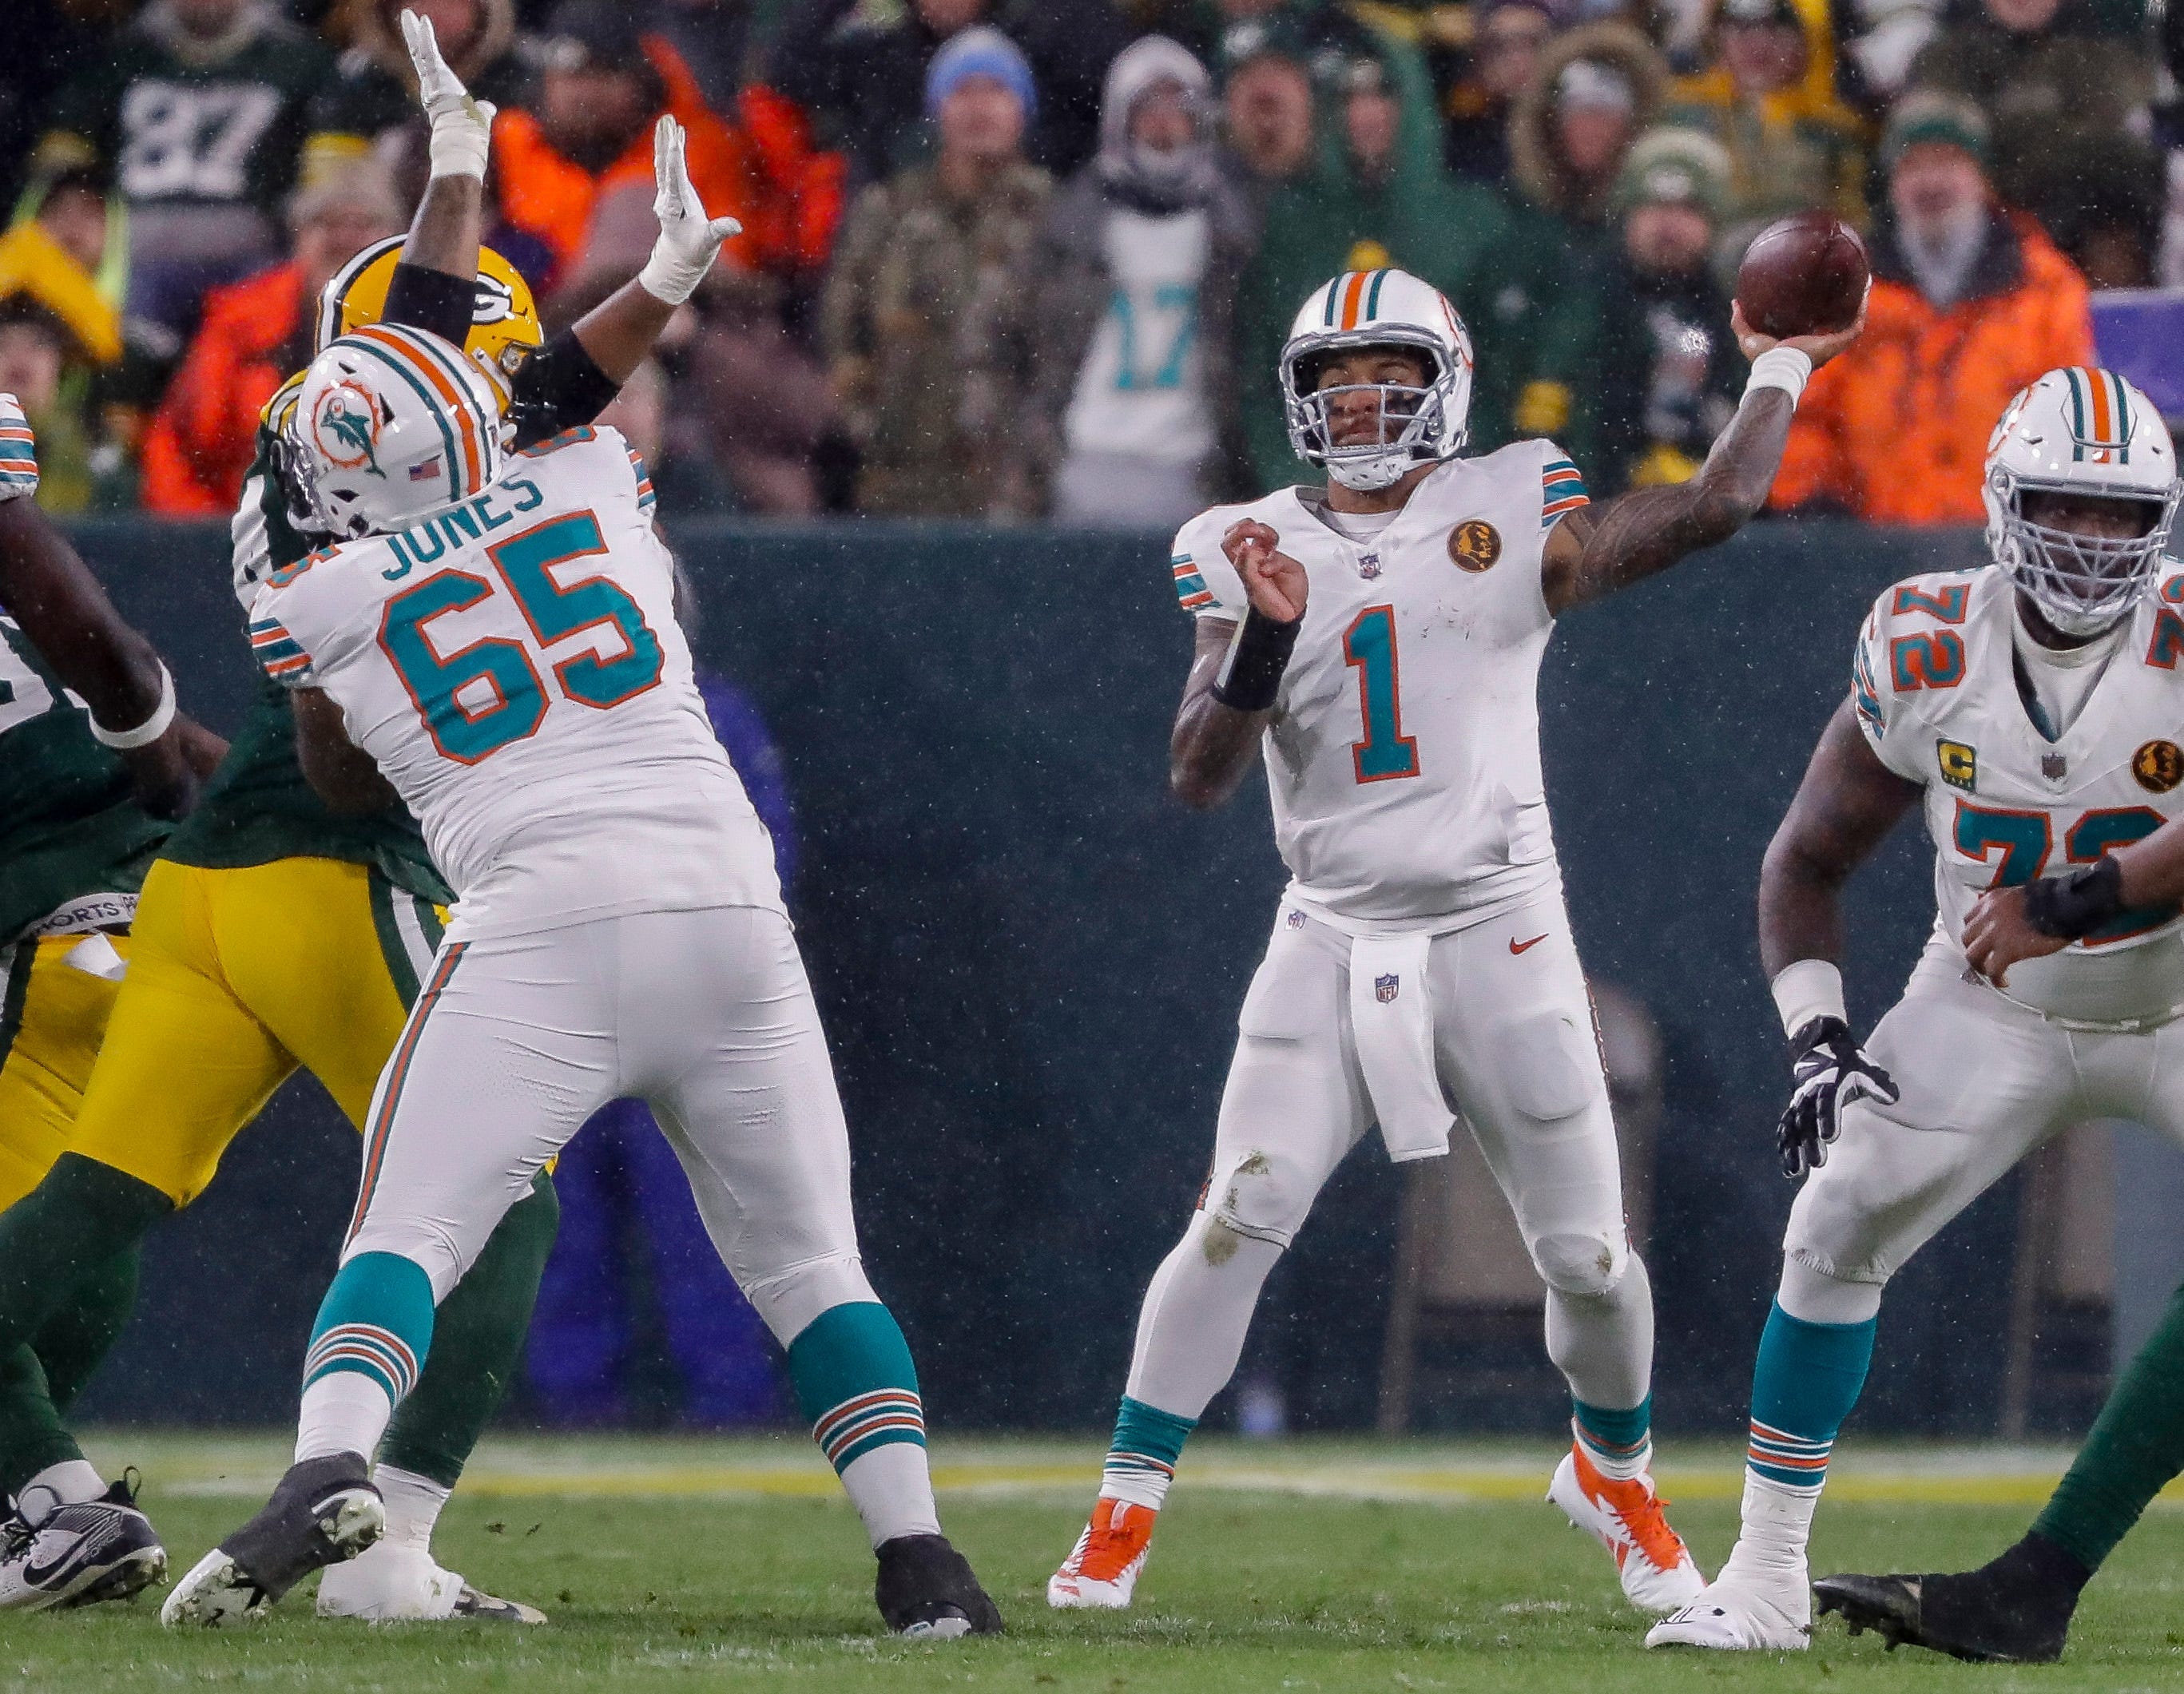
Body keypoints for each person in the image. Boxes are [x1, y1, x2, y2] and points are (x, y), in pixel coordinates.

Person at [0, 20, 705, 1621]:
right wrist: (650, 285)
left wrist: (455, 164)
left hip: (196, 885)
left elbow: (455, 342)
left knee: (100, 1193)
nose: (504, 378)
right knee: (503, 1188)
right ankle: (386, 1548)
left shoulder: (325, 436)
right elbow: (530, 380)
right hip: (330, 864)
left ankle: (33, 1470)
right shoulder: (434, 444)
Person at [158, 318, 1002, 1644]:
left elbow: (340, 775)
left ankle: (327, 1463)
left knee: (407, 1236)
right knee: (814, 1271)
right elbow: (563, 397)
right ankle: (922, 1564)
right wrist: (656, 283)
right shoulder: (592, 478)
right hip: (724, 904)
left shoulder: (311, 598)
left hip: (543, 917)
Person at [1044, 264, 1861, 1614]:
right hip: (1327, 934)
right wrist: (1260, 637)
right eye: (1334, 379)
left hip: (1499, 928)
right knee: (1237, 1208)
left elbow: (1715, 504)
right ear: (1295, 399)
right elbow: (1196, 774)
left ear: (1446, 384)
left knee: (1589, 1261)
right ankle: (1120, 1514)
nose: (1361, 399)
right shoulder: (1240, 541)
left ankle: (1612, 1470)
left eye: (1390, 374)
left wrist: (1775, 365)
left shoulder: (1504, 499)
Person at [1645, 365, 2184, 1652]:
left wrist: (2078, 894)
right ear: (2007, 504)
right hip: (1993, 1005)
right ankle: (1765, 1578)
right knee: (1838, 1207)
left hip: (2171, 995)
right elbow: (1804, 863)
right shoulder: (1926, 642)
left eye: (2121, 516)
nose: (2094, 540)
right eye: (2068, 506)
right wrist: (1815, 1037)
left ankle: (2040, 1574)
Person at [0, 399, 226, 1607]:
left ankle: (54, 1502)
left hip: (35, 946)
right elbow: (137, 693)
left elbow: (123, 674)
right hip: (150, 927)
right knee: (67, 1221)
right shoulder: (36, 616)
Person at [1770, 92, 2094, 525]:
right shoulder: (1840, 292)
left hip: (2004, 558)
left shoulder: (2047, 288)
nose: (1930, 183)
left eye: (1947, 164)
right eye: (1913, 166)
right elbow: (1801, 419)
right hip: (1869, 556)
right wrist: (1819, 509)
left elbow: (2075, 424)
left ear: (1981, 177)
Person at [1020, 36, 1254, 526]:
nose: (1164, 126)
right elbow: (1022, 343)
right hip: (1089, 459)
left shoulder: (1233, 227)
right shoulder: (1071, 224)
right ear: (1119, 119)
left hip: (1193, 467)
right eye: (1148, 109)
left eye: (1179, 109)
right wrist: (1038, 447)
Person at [820, 27, 1050, 517]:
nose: (978, 107)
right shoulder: (889, 211)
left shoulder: (1055, 217)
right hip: (900, 478)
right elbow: (843, 328)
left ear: (1022, 109)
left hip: (1014, 484)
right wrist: (866, 424)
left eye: (996, 90)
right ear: (937, 108)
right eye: (962, 91)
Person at [32, 0, 336, 339]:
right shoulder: (118, 58)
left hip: (253, 250)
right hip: (134, 254)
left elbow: (330, 181)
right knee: (121, 353)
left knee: (258, 347)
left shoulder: (301, 62)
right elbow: (54, 176)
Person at [140, 164, 404, 517]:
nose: (345, 238)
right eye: (327, 223)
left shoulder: (427, 323)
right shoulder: (237, 322)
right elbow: (178, 448)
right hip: (250, 527)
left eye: (364, 224)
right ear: (299, 237)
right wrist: (212, 542)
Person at [767, 0, 1130, 191]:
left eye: (991, 91)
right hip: (897, 255)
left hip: (1010, 240)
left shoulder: (1036, 48)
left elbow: (1107, 83)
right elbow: (787, 66)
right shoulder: (879, 61)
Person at [1591, 129, 1743, 494]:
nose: (1668, 225)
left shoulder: (1735, 314)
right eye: (1654, 206)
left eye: (1688, 209)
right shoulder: (1589, 302)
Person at [1659, 0, 1867, 247]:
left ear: (1808, 39)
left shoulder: (1835, 133)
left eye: (1775, 29)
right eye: (1740, 28)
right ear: (1715, 37)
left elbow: (1857, 224)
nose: (1757, 43)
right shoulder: (1684, 118)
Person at [304, 0, 527, 184]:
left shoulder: (512, 87)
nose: (435, 12)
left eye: (454, 3)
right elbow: (333, 186)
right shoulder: (358, 88)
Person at [1442, 0, 1570, 185]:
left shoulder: (1574, 130)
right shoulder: (1454, 138)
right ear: (1479, 58)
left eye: (1534, 43)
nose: (1518, 59)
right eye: (1500, 46)